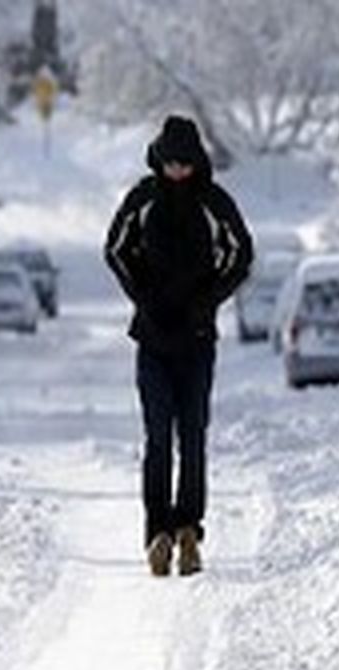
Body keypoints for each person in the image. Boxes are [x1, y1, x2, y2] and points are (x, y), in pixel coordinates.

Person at [104, 115, 253, 577]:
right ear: (159, 159)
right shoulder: (142, 199)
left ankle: (189, 527)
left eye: (185, 166)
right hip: (152, 338)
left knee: (192, 436)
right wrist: (143, 298)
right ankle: (158, 534)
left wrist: (208, 300)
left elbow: (241, 253)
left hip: (198, 339)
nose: (178, 173)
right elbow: (115, 250)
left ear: (196, 162)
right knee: (157, 438)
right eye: (170, 165)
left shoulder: (213, 200)